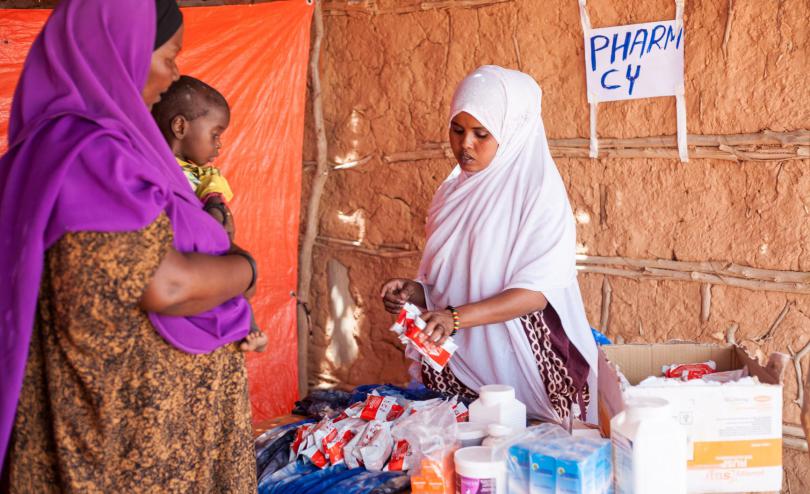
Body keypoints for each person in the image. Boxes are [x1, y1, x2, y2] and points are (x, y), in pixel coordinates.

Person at [0, 1, 256, 491]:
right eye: (168, 56)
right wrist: (245, 269)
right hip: (130, 456)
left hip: (129, 440)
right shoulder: (90, 153)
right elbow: (169, 285)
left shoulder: (49, 153)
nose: (172, 76)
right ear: (121, 50)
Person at [381, 66, 598, 424]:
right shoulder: (451, 193)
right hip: (458, 373)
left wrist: (455, 318)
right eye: (457, 129)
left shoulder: (538, 195)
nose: (465, 144)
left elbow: (536, 293)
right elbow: (453, 280)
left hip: (527, 372)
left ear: (512, 133)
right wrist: (416, 292)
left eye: (481, 133)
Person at [152, 75, 268, 352]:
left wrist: (215, 212)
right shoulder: (151, 167)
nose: (219, 144)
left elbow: (219, 215)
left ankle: (249, 328)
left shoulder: (204, 174)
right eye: (215, 134)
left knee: (233, 291)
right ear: (180, 126)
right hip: (177, 273)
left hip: (202, 263)